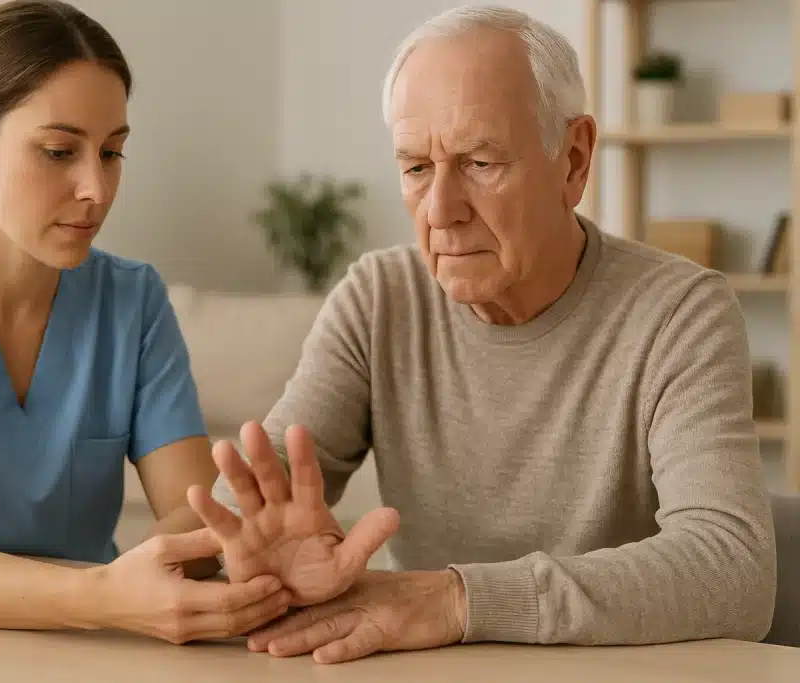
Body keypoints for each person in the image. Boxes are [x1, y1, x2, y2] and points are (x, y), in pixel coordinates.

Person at [188, 4, 778, 664]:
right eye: (415, 167)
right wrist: (247, 564)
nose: (440, 211)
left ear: (574, 161)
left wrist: (456, 599)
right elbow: (237, 523)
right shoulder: (377, 298)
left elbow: (733, 571)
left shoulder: (681, 313)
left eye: (479, 162)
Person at [0, 0, 369, 645]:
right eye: (60, 151)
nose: (95, 188)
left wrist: (217, 554)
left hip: (90, 648)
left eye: (113, 152)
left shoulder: (134, 301)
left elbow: (194, 509)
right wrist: (106, 596)